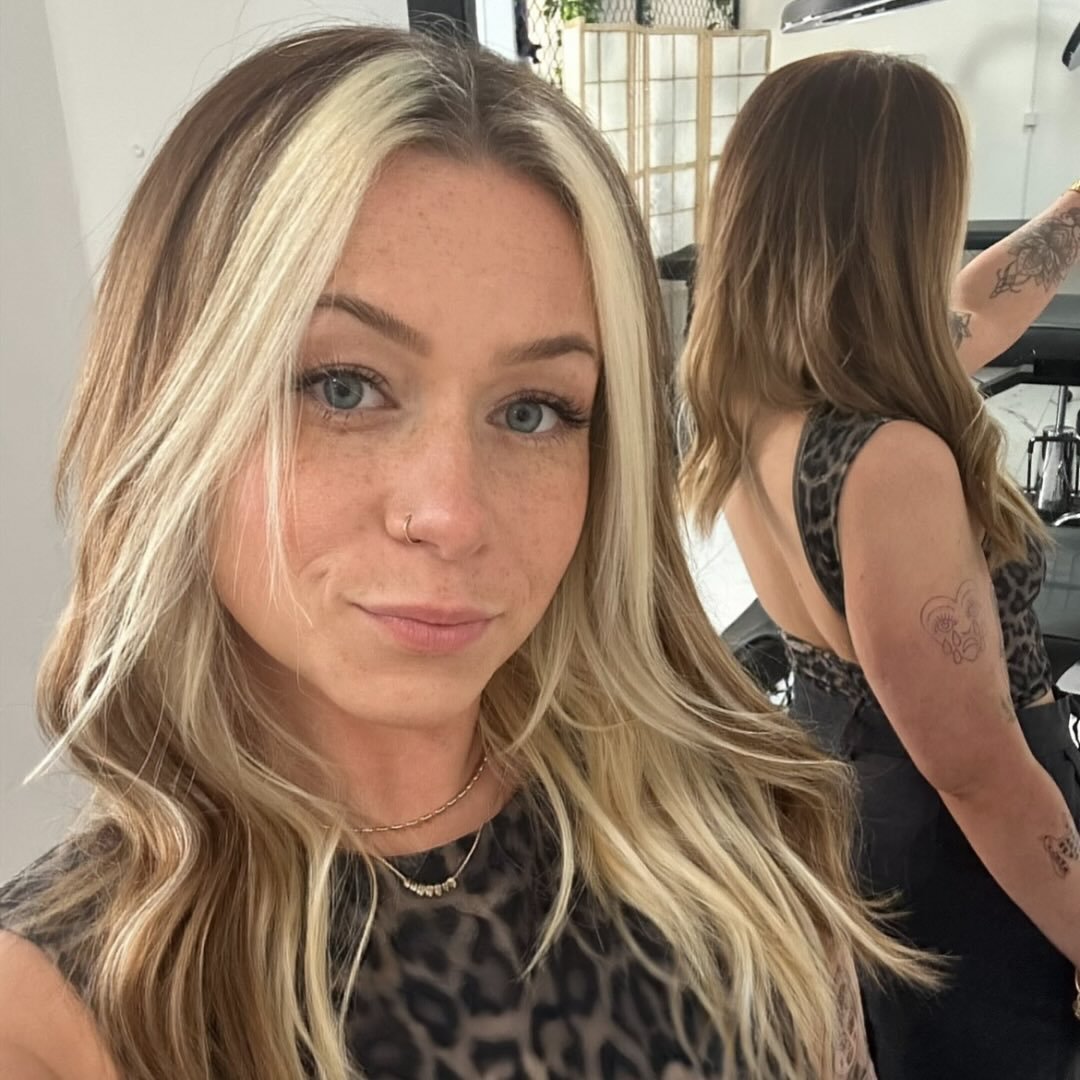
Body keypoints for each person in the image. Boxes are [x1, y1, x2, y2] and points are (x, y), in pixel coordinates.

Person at [0, 27, 924, 1080]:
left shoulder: (734, 833)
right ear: (172, 408)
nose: (451, 513)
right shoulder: (68, 1011)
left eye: (533, 410)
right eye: (343, 386)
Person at [680, 49, 1080, 1080]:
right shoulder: (887, 459)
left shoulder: (757, 392)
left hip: (859, 796)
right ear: (900, 222)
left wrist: (1075, 214)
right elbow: (979, 772)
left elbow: (983, 306)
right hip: (961, 855)